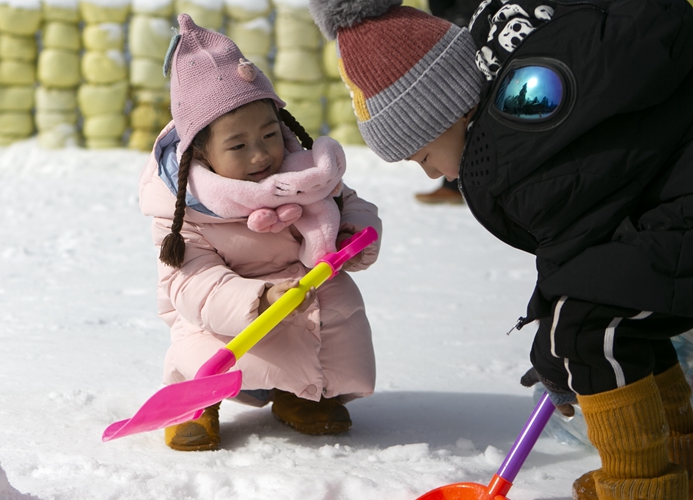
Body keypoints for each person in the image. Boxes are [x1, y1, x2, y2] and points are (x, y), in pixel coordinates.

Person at [309, 0, 693, 497]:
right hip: (672, 208)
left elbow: (577, 258)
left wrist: (557, 344)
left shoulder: (509, 155)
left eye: (423, 155)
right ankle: (677, 455)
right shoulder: (528, 108)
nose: (430, 173)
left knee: (587, 330)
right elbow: (587, 244)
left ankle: (641, 486)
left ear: (446, 108)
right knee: (614, 313)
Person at [137, 14, 383, 452]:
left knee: (335, 309)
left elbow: (350, 203)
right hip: (229, 312)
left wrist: (351, 231)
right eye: (238, 145)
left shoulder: (303, 174)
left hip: (302, 300)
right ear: (202, 153)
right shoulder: (185, 209)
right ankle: (196, 404)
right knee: (203, 338)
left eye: (270, 134)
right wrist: (260, 300)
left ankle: (302, 394)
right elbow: (191, 282)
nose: (260, 155)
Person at [412, 0, 480, 205]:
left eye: (424, 160)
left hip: (467, 17)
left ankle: (461, 184)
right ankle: (457, 184)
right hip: (452, 17)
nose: (428, 172)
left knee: (460, 109)